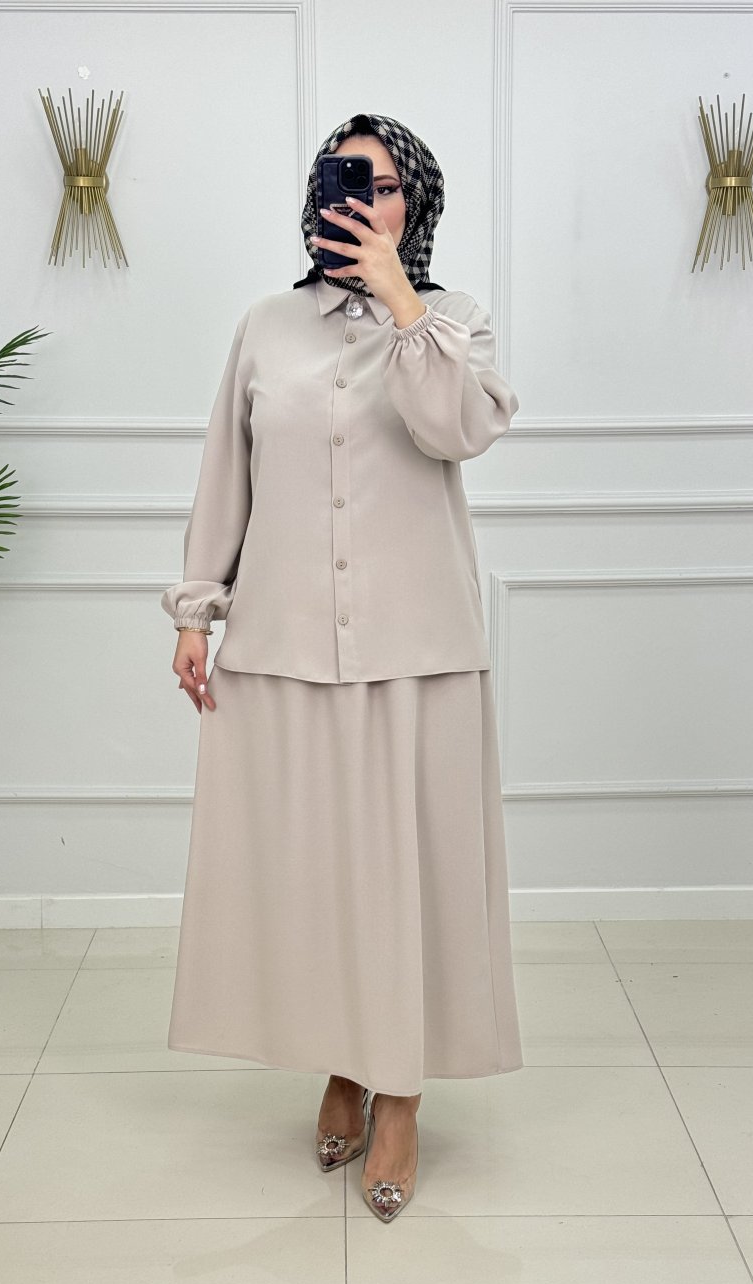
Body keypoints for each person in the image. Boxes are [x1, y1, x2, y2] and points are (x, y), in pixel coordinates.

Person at [161, 113, 523, 1223]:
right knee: (313, 874)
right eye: (341, 175)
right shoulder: (265, 326)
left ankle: (400, 1091)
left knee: (407, 875)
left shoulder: (452, 322)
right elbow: (228, 469)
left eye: (380, 179)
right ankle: (342, 1059)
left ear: (415, 200)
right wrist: (196, 608)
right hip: (283, 645)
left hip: (418, 650)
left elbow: (455, 428)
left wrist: (402, 300)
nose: (358, 193)